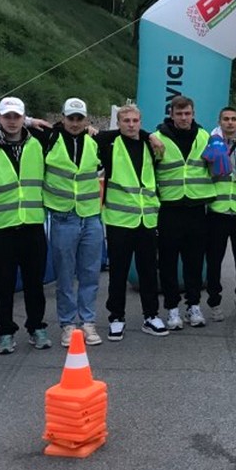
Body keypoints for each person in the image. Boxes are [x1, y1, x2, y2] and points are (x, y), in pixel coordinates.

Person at [0, 96, 51, 354]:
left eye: (17, 117)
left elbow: (72, 129)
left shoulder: (38, 141)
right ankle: (5, 331)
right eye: (7, 116)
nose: (12, 121)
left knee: (35, 283)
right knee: (4, 285)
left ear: (24, 118)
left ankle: (36, 327)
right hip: (0, 228)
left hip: (32, 225)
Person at [96, 104, 168, 340]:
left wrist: (149, 136)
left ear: (140, 122)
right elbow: (95, 135)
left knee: (149, 271)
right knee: (118, 272)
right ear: (118, 123)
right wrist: (148, 134)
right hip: (119, 221)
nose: (131, 124)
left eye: (135, 121)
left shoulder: (149, 145)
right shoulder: (110, 143)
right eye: (126, 120)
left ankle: (151, 315)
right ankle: (116, 317)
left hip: (147, 219)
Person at [42, 98, 104, 347]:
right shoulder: (49, 138)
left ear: (86, 119)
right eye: (71, 118)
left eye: (79, 119)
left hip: (91, 216)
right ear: (63, 118)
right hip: (63, 216)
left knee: (90, 274)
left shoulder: (95, 141)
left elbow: (129, 131)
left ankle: (88, 322)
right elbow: (12, 127)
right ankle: (68, 324)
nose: (75, 123)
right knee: (66, 276)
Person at [154, 95, 214, 328]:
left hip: (196, 208)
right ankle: (172, 309)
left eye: (187, 113)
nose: (183, 118)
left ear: (193, 114)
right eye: (179, 114)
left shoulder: (204, 136)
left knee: (194, 262)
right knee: (168, 262)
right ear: (171, 115)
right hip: (169, 208)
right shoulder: (158, 138)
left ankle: (193, 306)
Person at [205, 106, 236, 319]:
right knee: (214, 261)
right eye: (226, 119)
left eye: (234, 119)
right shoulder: (212, 145)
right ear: (220, 122)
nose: (230, 122)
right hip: (217, 210)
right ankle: (214, 302)